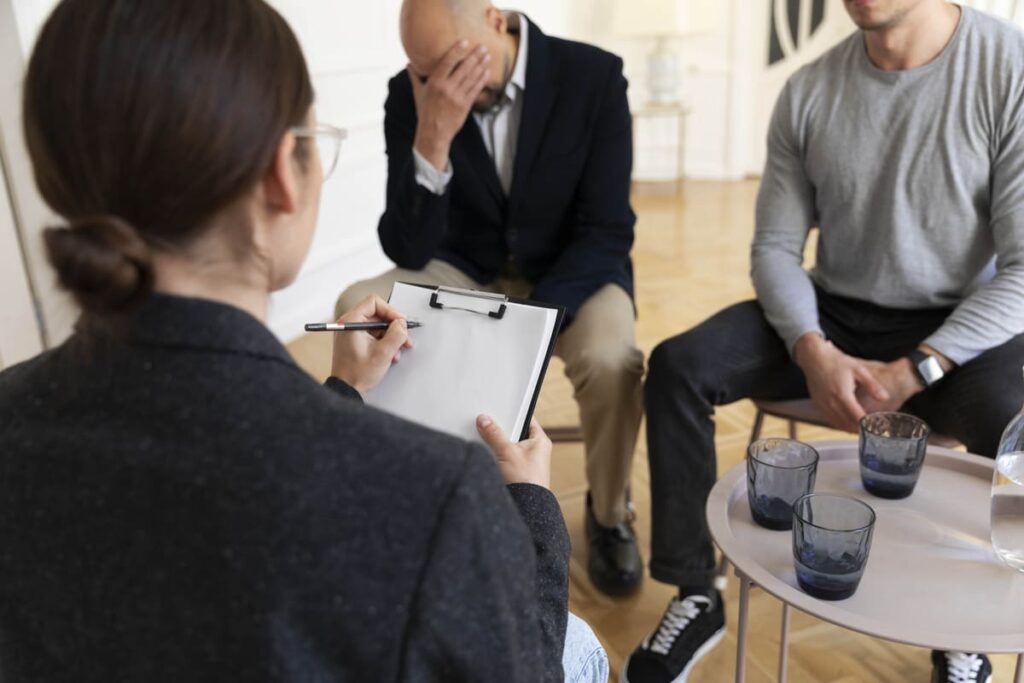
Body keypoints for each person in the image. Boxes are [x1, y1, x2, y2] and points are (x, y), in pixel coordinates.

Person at [0, 0, 608, 681]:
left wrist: (342, 395)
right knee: (580, 644)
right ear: (281, 174)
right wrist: (533, 508)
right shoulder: (441, 496)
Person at [625, 1, 1024, 682]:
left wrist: (915, 370)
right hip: (833, 312)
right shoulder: (810, 88)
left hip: (957, 329)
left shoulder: (1006, 68)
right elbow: (777, 246)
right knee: (677, 366)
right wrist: (811, 347)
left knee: (1015, 417)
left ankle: (964, 629)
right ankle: (695, 588)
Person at [334, 0, 645, 596]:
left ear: (494, 23)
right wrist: (433, 137)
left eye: (445, 67)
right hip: (465, 273)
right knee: (358, 310)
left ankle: (608, 516)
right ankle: (417, 498)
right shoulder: (412, 95)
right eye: (421, 72)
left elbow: (609, 228)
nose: (433, 85)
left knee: (612, 361)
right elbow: (405, 243)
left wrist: (533, 320)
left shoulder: (594, 76)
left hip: (573, 270)